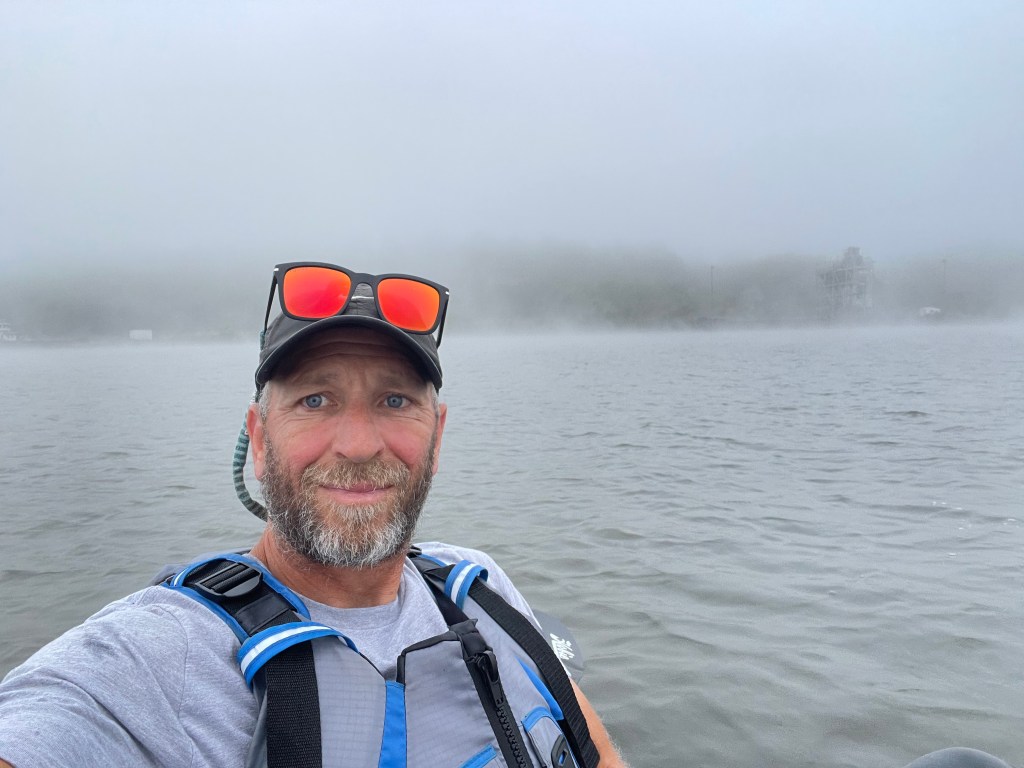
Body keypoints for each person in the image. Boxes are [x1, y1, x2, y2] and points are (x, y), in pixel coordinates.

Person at [0, 262, 626, 768]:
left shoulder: (479, 586)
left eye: (394, 400)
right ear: (260, 438)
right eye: (315, 400)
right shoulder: (158, 657)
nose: (358, 444)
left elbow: (589, 747)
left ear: (437, 438)